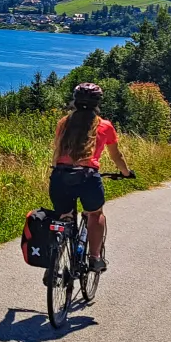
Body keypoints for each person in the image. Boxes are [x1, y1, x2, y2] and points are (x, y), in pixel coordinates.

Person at [50, 82, 134, 273]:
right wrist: (126, 173)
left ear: (75, 101)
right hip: (87, 178)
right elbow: (116, 156)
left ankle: (54, 263)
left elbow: (57, 150)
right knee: (95, 214)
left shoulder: (63, 123)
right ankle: (95, 258)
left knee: (64, 217)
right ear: (97, 102)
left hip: (60, 176)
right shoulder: (104, 126)